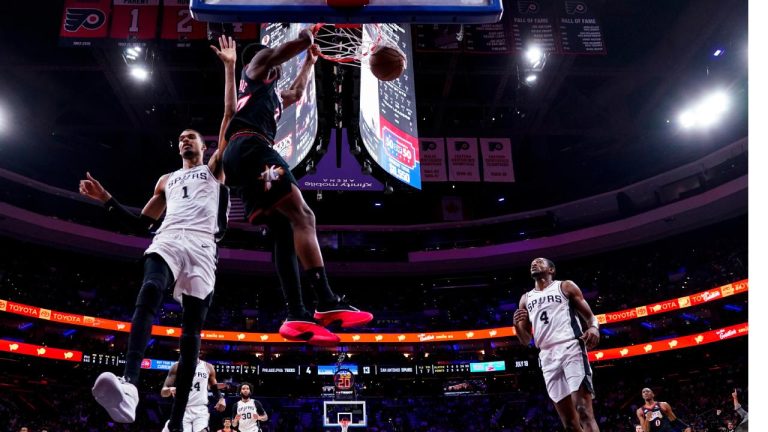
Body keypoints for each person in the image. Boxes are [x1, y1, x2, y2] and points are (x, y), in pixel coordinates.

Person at [83, 36, 237, 432]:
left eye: (192, 137)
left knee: (190, 342)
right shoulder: (166, 181)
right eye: (182, 137)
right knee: (150, 288)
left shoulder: (214, 169)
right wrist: (107, 200)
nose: (185, 139)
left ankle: (178, 418)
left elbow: (229, 116)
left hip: (203, 247)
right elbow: (139, 224)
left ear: (203, 147)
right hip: (169, 238)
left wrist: (229, 66)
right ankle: (130, 385)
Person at [220, 27, 372, 345]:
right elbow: (276, 54)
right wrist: (304, 40)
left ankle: (296, 314)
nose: (275, 67)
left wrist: (310, 62)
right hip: (252, 148)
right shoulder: (256, 65)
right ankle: (327, 301)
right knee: (303, 216)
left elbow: (297, 93)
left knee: (283, 230)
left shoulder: (269, 95)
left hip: (243, 163)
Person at [513, 257, 601, 432]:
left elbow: (591, 317)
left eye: (539, 262)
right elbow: (525, 340)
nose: (534, 263)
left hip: (571, 348)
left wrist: (594, 328)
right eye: (532, 262)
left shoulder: (565, 286)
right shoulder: (525, 299)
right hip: (546, 355)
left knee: (583, 411)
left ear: (551, 270)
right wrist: (516, 326)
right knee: (569, 424)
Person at [161, 358, 226, 431]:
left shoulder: (208, 366)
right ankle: (169, 426)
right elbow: (163, 392)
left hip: (201, 408)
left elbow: (214, 387)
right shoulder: (176, 366)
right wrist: (170, 390)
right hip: (182, 409)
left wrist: (221, 398)